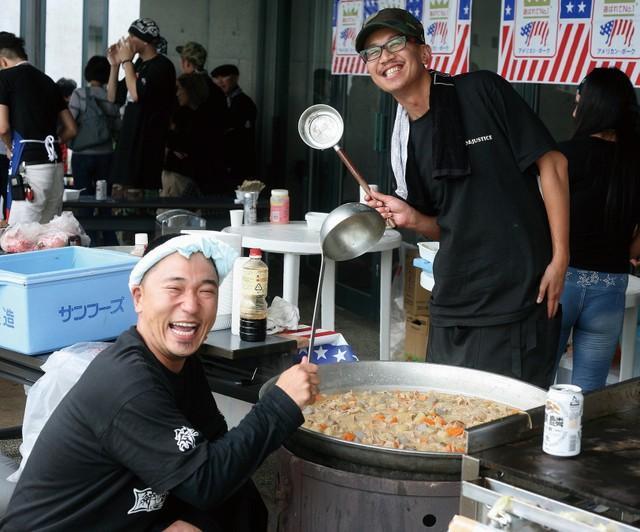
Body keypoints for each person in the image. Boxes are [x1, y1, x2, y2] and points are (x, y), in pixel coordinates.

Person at [1, 233, 320, 531]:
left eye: (206, 290)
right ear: (138, 297)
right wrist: (279, 404)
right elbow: (206, 482)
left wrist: (188, 519)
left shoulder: (180, 361)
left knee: (239, 500)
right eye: (174, 288)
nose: (192, 305)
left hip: (126, 514)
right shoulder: (126, 384)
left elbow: (215, 447)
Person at [358, 9, 569, 388]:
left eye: (395, 43)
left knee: (510, 429)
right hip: (453, 303)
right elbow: (444, 226)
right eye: (372, 52)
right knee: (446, 423)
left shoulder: (481, 91)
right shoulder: (402, 145)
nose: (384, 57)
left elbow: (553, 165)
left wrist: (561, 258)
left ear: (424, 54)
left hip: (517, 298)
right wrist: (410, 218)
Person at [555, 68, 640, 392]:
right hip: (611, 286)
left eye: (578, 103)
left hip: (561, 284)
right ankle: (578, 443)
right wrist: (627, 251)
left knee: (538, 385)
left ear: (592, 108)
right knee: (589, 390)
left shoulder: (564, 156)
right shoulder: (635, 162)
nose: (575, 111)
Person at [0, 32, 77, 224]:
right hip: (55, 165)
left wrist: (10, 147)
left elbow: (2, 127)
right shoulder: (48, 81)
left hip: (29, 167)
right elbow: (71, 128)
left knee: (20, 238)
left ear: (2, 61)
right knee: (49, 235)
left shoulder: (5, 78)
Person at [107, 18, 176, 194]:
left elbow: (137, 94)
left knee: (137, 195)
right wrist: (115, 65)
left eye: (132, 36)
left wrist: (127, 62)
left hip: (146, 142)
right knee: (119, 192)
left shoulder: (162, 66)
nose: (127, 41)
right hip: (128, 138)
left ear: (145, 41)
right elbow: (112, 96)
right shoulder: (138, 64)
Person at [176, 41, 227, 194]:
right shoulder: (216, 90)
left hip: (188, 161)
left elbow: (181, 120)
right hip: (214, 158)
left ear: (186, 62)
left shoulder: (186, 87)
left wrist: (175, 144)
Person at [69, 56, 120, 199]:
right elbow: (117, 128)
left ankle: (86, 221)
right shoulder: (111, 97)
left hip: (82, 154)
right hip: (106, 155)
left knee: (83, 198)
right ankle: (104, 220)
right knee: (104, 198)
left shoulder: (79, 94)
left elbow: (70, 121)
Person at [162, 73, 211, 197]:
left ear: (190, 90)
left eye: (179, 89)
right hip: (179, 173)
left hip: (183, 176)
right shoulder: (185, 114)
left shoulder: (200, 118)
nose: (177, 93)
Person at [211, 64, 257, 186]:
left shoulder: (244, 102)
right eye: (217, 78)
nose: (220, 82)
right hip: (223, 163)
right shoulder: (218, 101)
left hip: (239, 163)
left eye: (224, 77)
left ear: (235, 78)